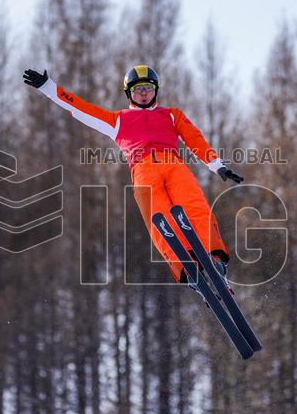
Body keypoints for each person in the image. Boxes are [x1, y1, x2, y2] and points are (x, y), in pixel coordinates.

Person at [22, 65, 244, 288]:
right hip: (144, 172)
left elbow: (194, 138)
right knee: (161, 223)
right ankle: (187, 267)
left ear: (156, 90)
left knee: (195, 207)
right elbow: (81, 109)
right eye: (139, 90)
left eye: (148, 88)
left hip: (174, 166)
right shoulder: (118, 120)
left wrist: (217, 165)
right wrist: (49, 88)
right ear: (129, 93)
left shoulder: (171, 115)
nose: (144, 94)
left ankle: (214, 259)